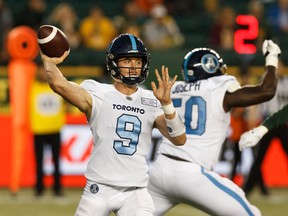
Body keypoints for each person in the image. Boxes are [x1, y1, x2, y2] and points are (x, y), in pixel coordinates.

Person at [40, 33, 186, 215]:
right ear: (114, 63)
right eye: (127, 61)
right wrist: (49, 61)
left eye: (138, 61)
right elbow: (59, 84)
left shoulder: (152, 99)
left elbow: (179, 139)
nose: (133, 67)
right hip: (99, 188)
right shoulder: (97, 91)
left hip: (136, 192)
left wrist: (167, 104)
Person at [147, 39, 280, 215]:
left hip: (160, 170)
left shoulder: (175, 87)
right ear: (210, 67)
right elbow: (266, 91)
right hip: (192, 174)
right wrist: (272, 58)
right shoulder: (217, 87)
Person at [240, 59, 288, 196]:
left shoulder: (286, 82)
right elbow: (259, 103)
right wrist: (254, 118)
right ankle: (248, 187)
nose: (279, 68)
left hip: (282, 124)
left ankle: (251, 187)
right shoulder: (266, 80)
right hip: (268, 122)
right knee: (259, 157)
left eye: (281, 65)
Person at [29, 66, 65, 197]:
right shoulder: (32, 86)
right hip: (39, 129)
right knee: (39, 161)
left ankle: (57, 188)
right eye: (41, 72)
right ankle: (39, 188)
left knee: (56, 161)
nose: (43, 74)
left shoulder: (56, 86)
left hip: (55, 128)